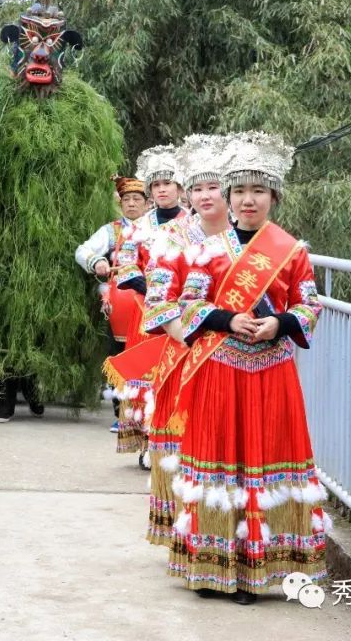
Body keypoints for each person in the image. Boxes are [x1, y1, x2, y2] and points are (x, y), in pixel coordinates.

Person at [167, 131, 328, 604]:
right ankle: (213, 568)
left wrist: (278, 323)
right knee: (222, 463)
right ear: (228, 197)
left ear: (273, 196)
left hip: (272, 370)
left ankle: (258, 570)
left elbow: (310, 305)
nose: (248, 199)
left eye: (258, 191)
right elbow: (189, 305)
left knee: (263, 461)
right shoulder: (207, 249)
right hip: (222, 369)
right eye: (239, 191)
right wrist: (227, 318)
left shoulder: (291, 251)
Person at [138, 134, 232, 546]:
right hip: (186, 354)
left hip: (237, 357)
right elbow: (159, 300)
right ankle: (187, 532)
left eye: (214, 186)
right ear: (187, 193)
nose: (205, 195)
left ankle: (224, 534)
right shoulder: (173, 237)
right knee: (185, 444)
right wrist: (192, 339)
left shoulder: (252, 238)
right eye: (197, 187)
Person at [111, 145, 187, 462]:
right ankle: (146, 442)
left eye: (168, 183)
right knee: (145, 378)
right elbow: (125, 262)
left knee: (176, 376)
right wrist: (145, 285)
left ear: (180, 188)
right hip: (145, 312)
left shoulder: (194, 223)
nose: (162, 190)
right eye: (156, 185)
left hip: (182, 314)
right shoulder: (140, 226)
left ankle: (177, 439)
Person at [75, 175, 147, 431]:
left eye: (137, 199)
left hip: (152, 300)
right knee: (120, 356)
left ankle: (148, 413)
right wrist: (97, 262)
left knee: (148, 356)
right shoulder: (111, 230)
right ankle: (122, 413)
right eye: (126, 199)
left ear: (146, 204)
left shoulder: (158, 228)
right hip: (121, 305)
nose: (131, 204)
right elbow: (82, 250)